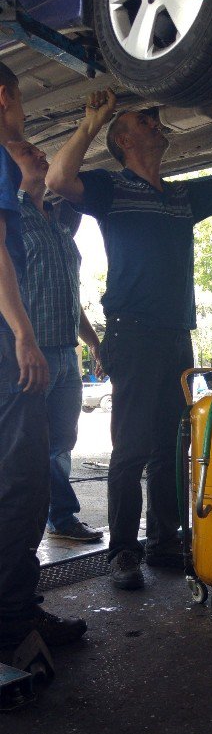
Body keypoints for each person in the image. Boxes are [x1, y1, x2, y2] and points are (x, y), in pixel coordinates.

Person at [47, 87, 212, 590]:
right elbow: (56, 178)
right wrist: (92, 122)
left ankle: (163, 542)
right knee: (133, 447)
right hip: (133, 336)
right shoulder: (110, 189)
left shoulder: (181, 196)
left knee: (171, 446)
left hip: (175, 338)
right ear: (123, 139)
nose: (156, 125)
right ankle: (122, 551)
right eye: (144, 122)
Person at [0, 63, 87, 649]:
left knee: (23, 479)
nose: (25, 118)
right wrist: (23, 335)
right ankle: (11, 626)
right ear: (5, 96)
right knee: (21, 483)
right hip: (12, 346)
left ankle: (20, 609)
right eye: (22, 102)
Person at [8, 139, 104, 543]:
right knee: (28, 447)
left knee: (61, 444)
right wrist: (21, 338)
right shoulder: (10, 218)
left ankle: (55, 518)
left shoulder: (58, 223)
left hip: (66, 351)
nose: (41, 154)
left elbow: (67, 291)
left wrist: (94, 342)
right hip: (30, 351)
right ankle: (51, 521)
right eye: (29, 151)